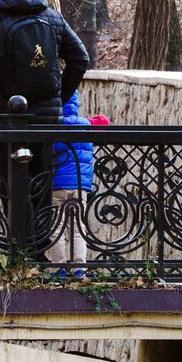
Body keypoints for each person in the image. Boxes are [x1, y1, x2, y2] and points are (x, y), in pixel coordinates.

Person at [0, 0, 89, 258]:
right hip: (47, 121)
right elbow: (80, 59)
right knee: (40, 189)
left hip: (6, 120)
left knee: (13, 189)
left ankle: (23, 259)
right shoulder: (51, 15)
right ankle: (40, 260)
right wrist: (58, 97)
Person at [50, 93, 107, 274]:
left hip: (57, 185)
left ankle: (58, 268)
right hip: (80, 185)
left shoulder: (52, 124)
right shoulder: (86, 124)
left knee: (56, 227)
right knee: (77, 227)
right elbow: (104, 121)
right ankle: (79, 268)